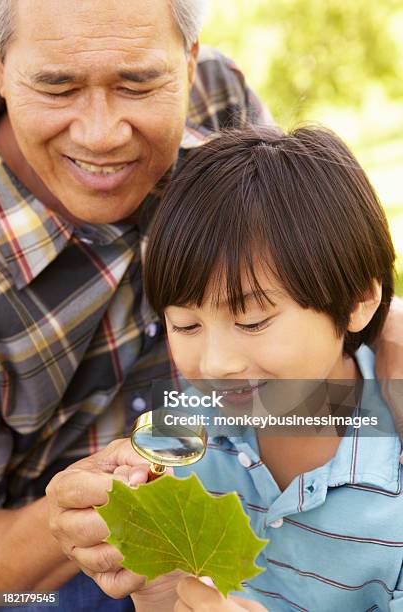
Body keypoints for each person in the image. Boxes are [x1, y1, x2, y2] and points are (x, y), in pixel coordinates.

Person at [0, 0, 401, 608]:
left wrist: (384, 353)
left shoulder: (217, 98)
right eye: (59, 87)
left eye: (137, 83)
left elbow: (311, 245)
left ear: (188, 64)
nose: (101, 132)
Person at [142, 126, 403, 611]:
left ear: (359, 301)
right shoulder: (182, 427)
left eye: (252, 321)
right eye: (186, 325)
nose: (216, 364)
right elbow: (158, 589)